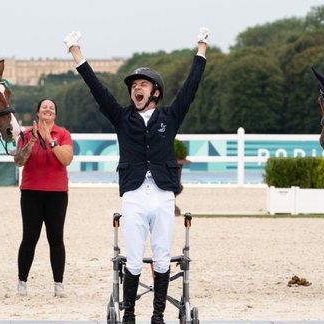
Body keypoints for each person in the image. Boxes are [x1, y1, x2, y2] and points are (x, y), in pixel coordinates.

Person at [63, 28, 209, 324]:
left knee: (162, 257)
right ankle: (129, 314)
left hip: (163, 193)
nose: (136, 89)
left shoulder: (170, 116)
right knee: (132, 259)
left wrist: (202, 48)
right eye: (134, 86)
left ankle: (158, 316)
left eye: (143, 84)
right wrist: (76, 53)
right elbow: (97, 88)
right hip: (133, 194)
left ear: (155, 92)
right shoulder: (121, 117)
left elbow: (191, 87)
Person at [13, 99, 74, 297]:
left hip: (57, 193)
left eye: (51, 108)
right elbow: (19, 161)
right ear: (38, 113)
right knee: (29, 237)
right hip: (31, 192)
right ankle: (22, 282)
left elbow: (66, 159)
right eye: (44, 108)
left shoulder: (63, 134)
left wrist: (50, 139)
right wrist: (33, 140)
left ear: (55, 114)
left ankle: (58, 284)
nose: (48, 110)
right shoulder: (26, 135)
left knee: (56, 238)